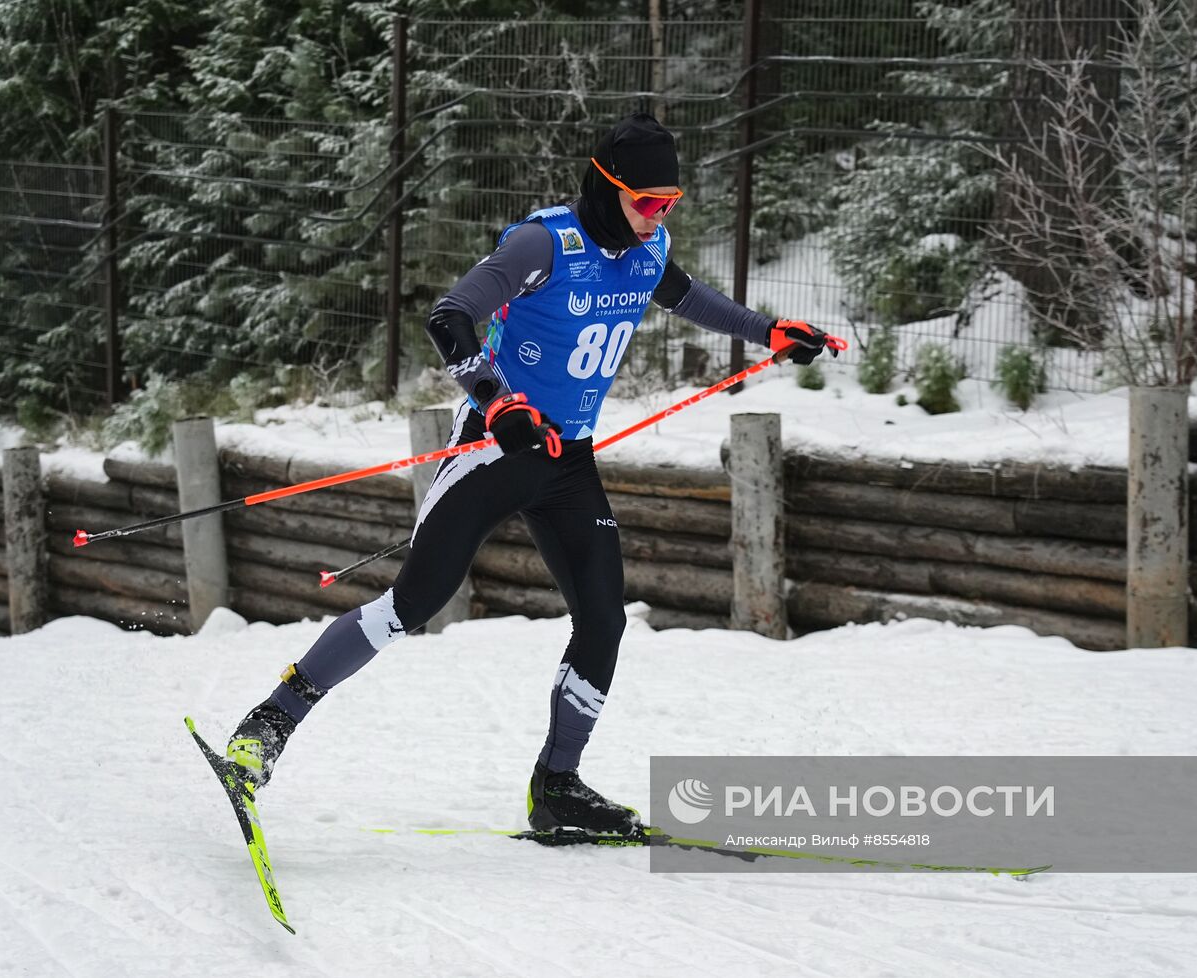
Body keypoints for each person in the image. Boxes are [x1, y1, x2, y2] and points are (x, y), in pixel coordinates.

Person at [223, 112, 838, 837]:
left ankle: (557, 788)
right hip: (497, 449)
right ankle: (264, 729)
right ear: (608, 189)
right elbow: (450, 318)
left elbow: (686, 296)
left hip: (567, 464)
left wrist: (767, 331)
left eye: (670, 203)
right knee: (412, 603)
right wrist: (499, 402)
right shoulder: (543, 243)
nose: (659, 215)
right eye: (647, 201)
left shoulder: (647, 249)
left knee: (604, 619)